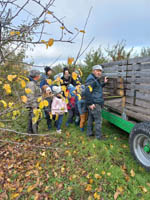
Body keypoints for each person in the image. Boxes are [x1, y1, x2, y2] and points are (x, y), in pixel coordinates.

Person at [85, 65, 108, 140]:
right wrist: (90, 103)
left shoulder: (95, 79)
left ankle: (89, 133)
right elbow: (87, 91)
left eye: (100, 71)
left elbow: (97, 88)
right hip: (95, 103)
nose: (99, 72)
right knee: (98, 120)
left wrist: (104, 83)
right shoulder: (91, 79)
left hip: (94, 102)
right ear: (93, 71)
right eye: (97, 70)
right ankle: (98, 137)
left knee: (90, 119)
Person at [26, 70, 41, 134]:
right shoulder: (31, 84)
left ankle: (30, 133)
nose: (40, 76)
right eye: (39, 74)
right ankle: (34, 134)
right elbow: (30, 96)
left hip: (36, 104)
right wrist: (34, 106)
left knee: (32, 119)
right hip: (33, 105)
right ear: (36, 76)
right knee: (34, 119)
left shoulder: (35, 83)